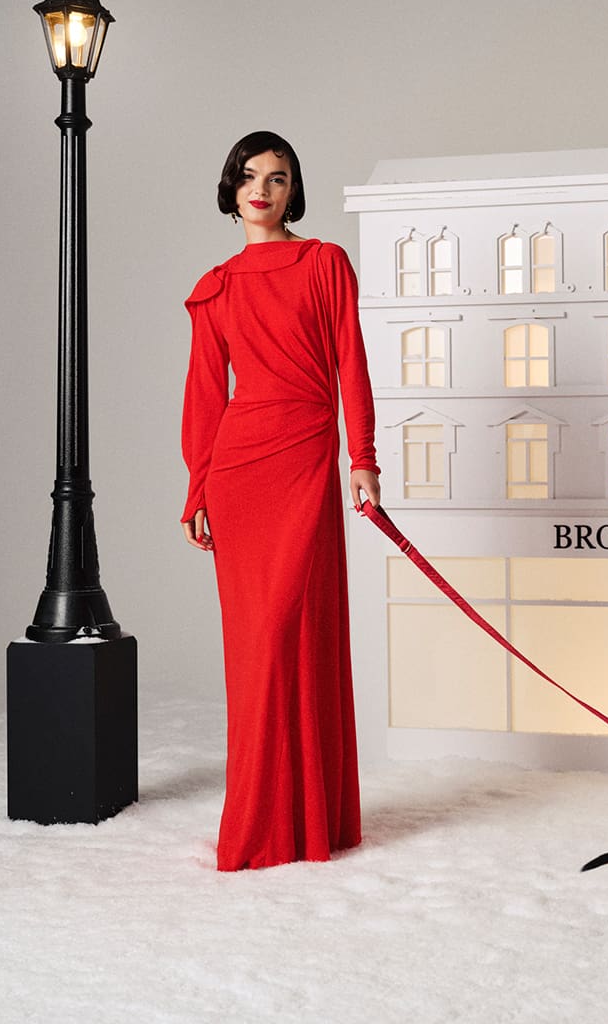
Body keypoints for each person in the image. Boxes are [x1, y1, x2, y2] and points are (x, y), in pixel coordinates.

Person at [180, 130, 380, 871]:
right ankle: (265, 819)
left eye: (279, 177)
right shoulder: (215, 287)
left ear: (295, 190)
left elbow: (350, 363)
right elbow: (204, 396)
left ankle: (307, 817)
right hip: (239, 471)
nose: (262, 189)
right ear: (231, 190)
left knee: (294, 629)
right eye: (249, 177)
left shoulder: (324, 263)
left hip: (305, 462)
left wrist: (364, 458)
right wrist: (196, 484)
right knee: (257, 644)